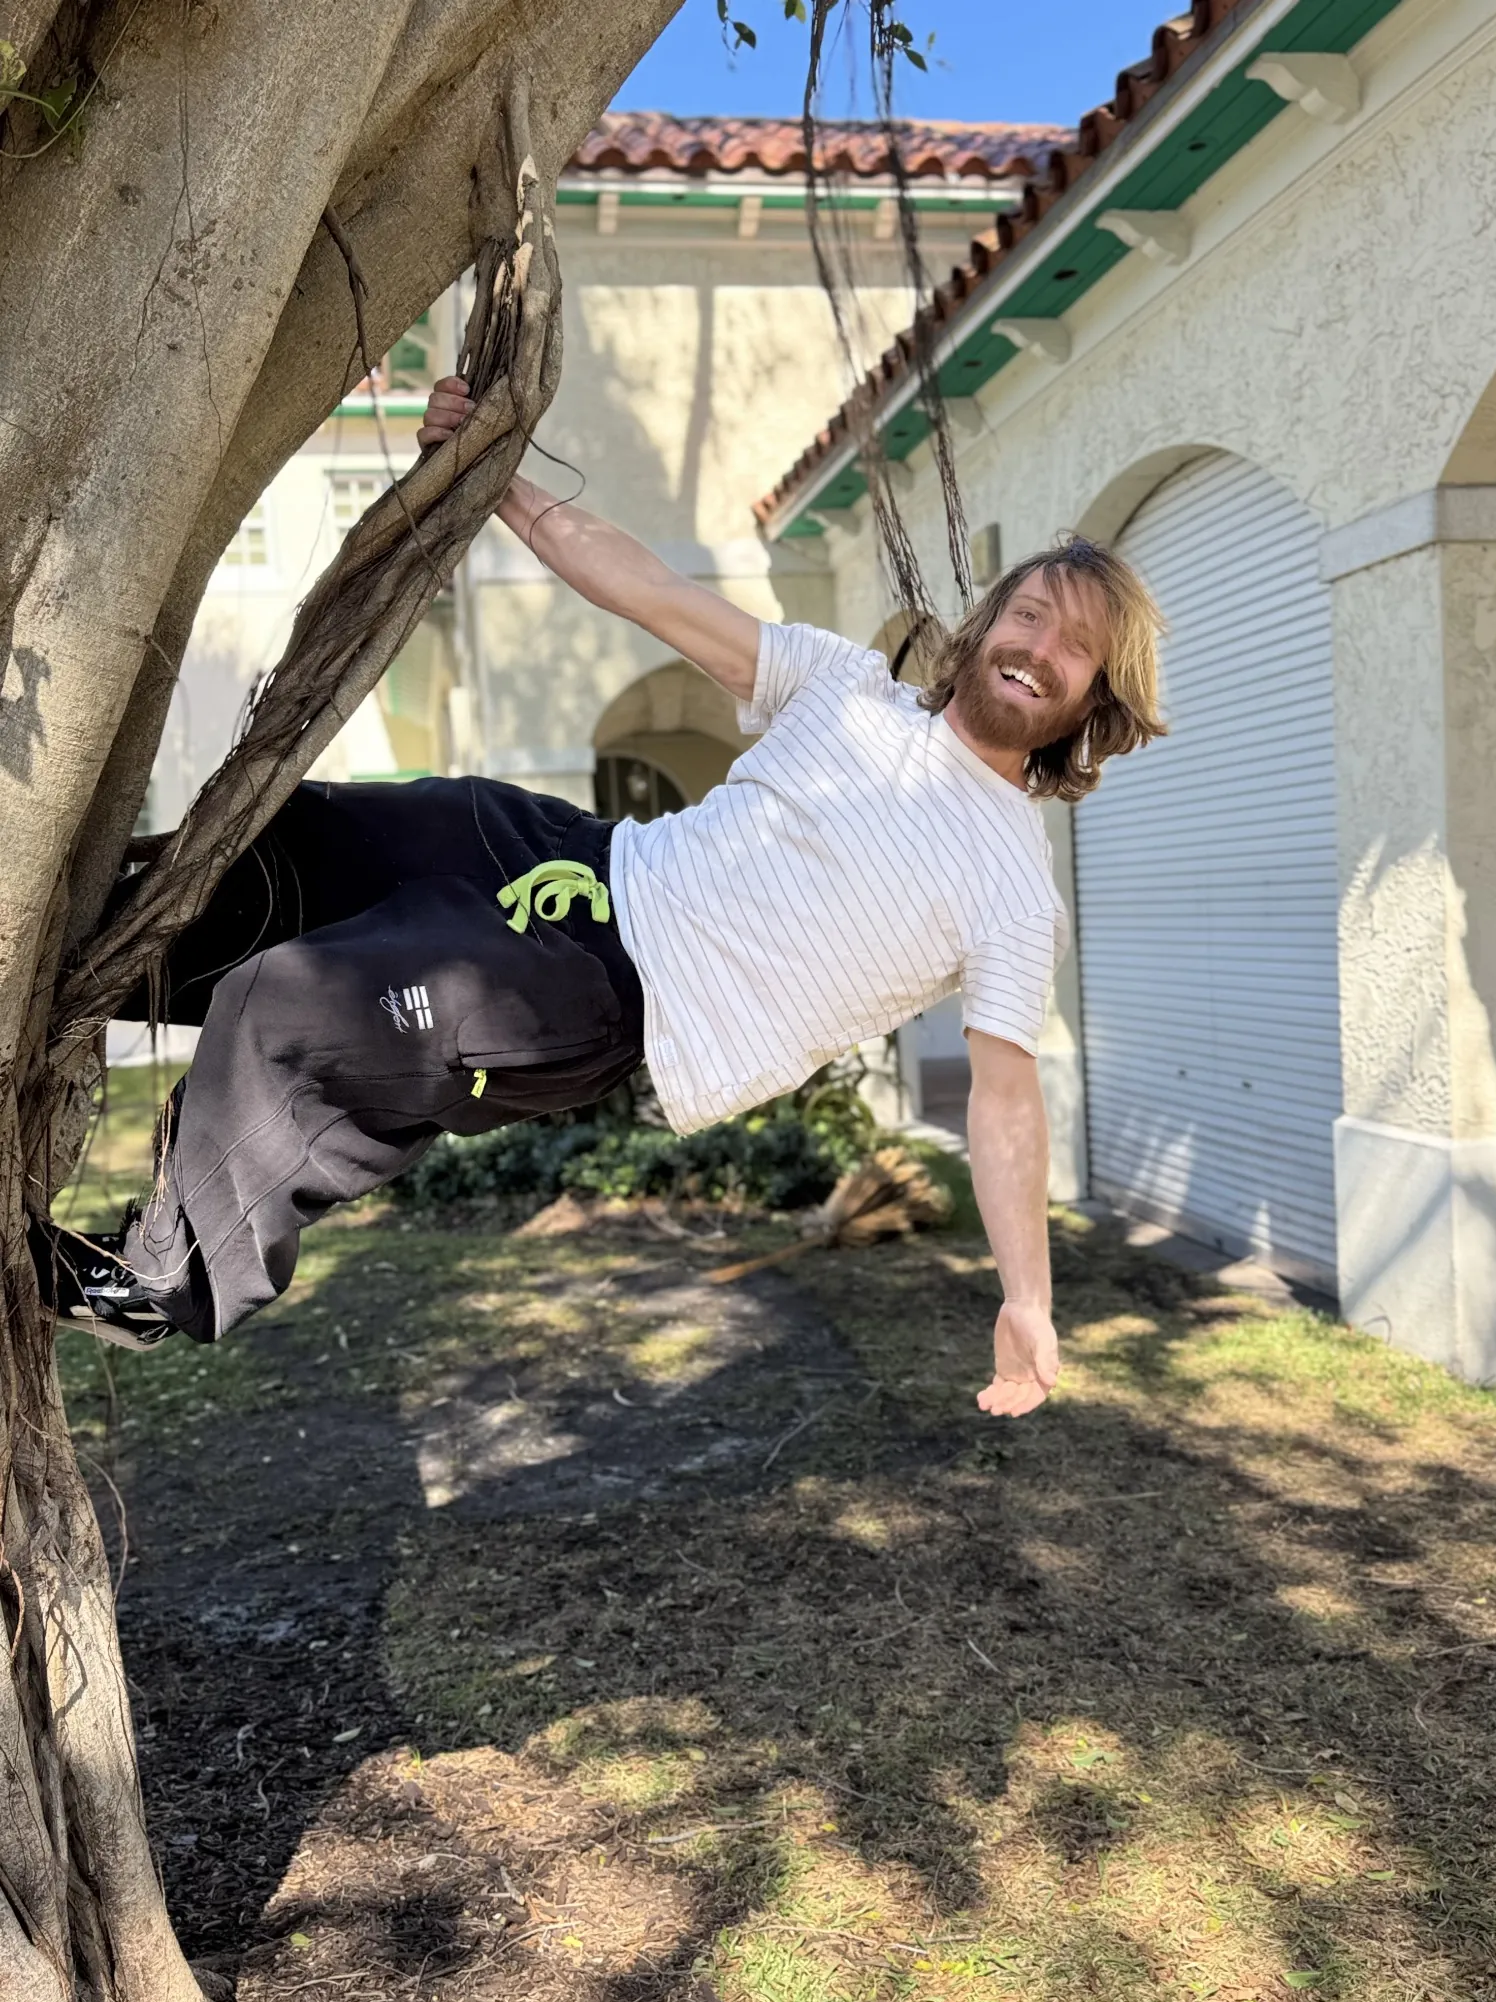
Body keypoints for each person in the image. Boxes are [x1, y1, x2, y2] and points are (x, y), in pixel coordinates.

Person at [34, 376, 1165, 1417]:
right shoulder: (849, 684)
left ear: (1091, 707)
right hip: (579, 856)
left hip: (610, 996)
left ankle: (163, 1282)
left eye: (1074, 649)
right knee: (300, 839)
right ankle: (58, 962)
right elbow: (652, 590)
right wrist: (499, 487)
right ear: (989, 622)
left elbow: (1007, 1096)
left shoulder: (1014, 885)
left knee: (300, 1005)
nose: (1037, 649)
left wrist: (1028, 1293)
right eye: (1029, 616)